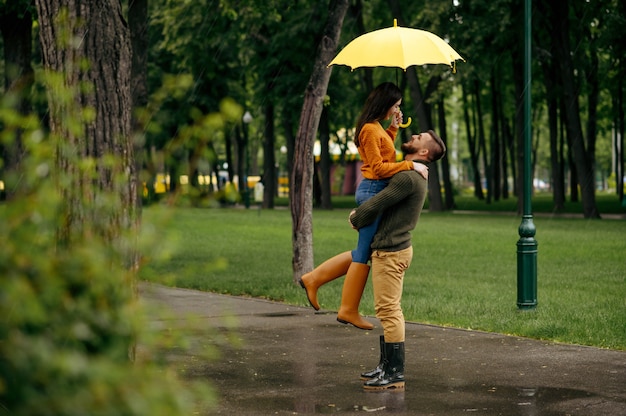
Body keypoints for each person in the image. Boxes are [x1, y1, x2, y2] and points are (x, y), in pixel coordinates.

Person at [299, 83, 428, 330]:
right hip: (372, 190)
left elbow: (383, 151)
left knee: (363, 250)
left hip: (373, 189)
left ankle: (314, 280)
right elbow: (378, 168)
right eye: (396, 105)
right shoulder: (369, 130)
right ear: (385, 103)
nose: (398, 109)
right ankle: (346, 309)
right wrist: (410, 165)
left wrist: (393, 128)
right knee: (363, 252)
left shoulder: (376, 128)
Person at [349, 129, 446, 390]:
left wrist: (355, 218)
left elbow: (375, 204)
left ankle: (394, 373)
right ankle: (385, 366)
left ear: (424, 152)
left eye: (419, 138)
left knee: (389, 311)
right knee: (387, 310)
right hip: (392, 249)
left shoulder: (408, 178)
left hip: (391, 252)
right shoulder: (411, 174)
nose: (413, 136)